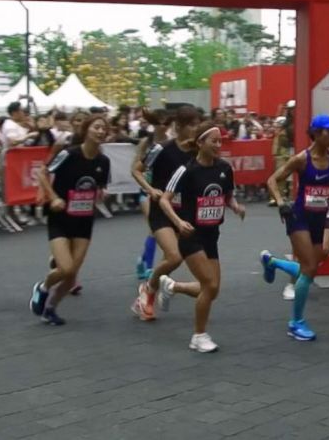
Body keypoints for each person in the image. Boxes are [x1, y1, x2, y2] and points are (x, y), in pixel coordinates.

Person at [159, 122, 245, 352]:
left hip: (211, 237)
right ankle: (199, 336)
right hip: (191, 236)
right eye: (213, 141)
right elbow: (164, 200)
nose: (218, 145)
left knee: (213, 289)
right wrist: (178, 222)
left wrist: (235, 206)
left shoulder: (225, 168)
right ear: (200, 143)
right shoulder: (186, 170)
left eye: (220, 141)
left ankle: (172, 286)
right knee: (209, 284)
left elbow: (226, 195)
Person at [259, 114, 329, 341]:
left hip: (319, 218)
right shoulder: (301, 159)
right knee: (309, 267)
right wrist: (280, 202)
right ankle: (295, 322)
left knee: (310, 269)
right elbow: (272, 181)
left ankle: (273, 262)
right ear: (316, 134)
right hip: (299, 217)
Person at [29, 115, 111, 325]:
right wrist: (54, 197)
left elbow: (99, 186)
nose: (100, 132)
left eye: (104, 128)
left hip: (84, 220)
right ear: (86, 130)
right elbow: (42, 173)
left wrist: (101, 193)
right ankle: (43, 287)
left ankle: (50, 308)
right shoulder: (69, 154)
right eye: (96, 127)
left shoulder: (104, 161)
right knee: (65, 268)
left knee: (72, 274)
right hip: (60, 216)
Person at [131, 106, 202, 321]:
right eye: (191, 125)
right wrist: (150, 189)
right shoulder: (162, 149)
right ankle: (148, 289)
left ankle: (147, 298)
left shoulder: (195, 151)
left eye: (197, 124)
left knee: (169, 261)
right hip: (161, 210)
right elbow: (136, 169)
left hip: (184, 213)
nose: (195, 129)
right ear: (178, 127)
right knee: (174, 256)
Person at [131, 108, 173, 280]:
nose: (163, 125)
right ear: (154, 123)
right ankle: (148, 266)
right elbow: (135, 169)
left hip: (163, 192)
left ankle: (142, 260)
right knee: (153, 227)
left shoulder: (171, 143)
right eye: (160, 121)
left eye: (166, 122)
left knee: (155, 229)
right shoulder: (145, 143)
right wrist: (148, 187)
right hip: (146, 190)